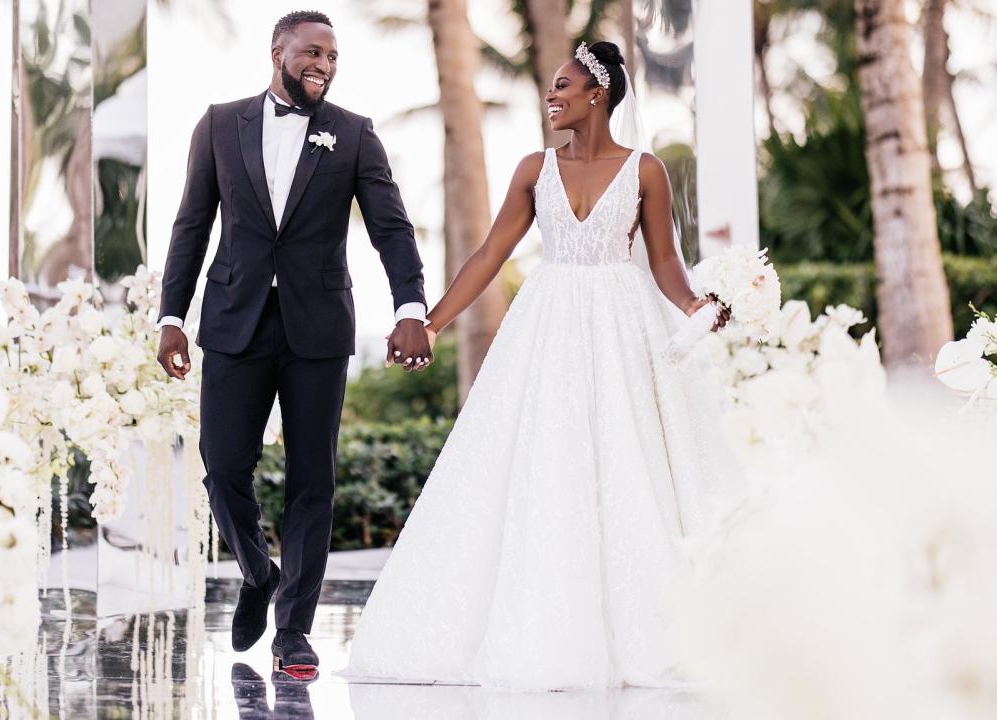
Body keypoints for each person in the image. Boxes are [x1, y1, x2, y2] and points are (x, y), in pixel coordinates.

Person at [342, 41, 740, 690]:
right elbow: (488, 256)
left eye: (564, 85)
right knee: (544, 462)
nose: (552, 96)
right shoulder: (534, 169)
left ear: (598, 94)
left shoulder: (646, 172)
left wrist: (698, 305)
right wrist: (432, 323)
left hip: (620, 323)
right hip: (547, 326)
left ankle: (642, 630)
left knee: (623, 461)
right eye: (551, 87)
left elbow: (665, 262)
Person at [154, 10, 434, 681]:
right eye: (313, 52)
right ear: (276, 51)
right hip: (232, 320)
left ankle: (294, 632)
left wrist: (410, 307)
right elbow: (192, 224)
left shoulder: (355, 135)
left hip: (318, 326)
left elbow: (391, 230)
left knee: (313, 480)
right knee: (223, 467)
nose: (325, 66)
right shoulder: (220, 124)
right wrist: (170, 316)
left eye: (334, 57)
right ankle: (258, 572)